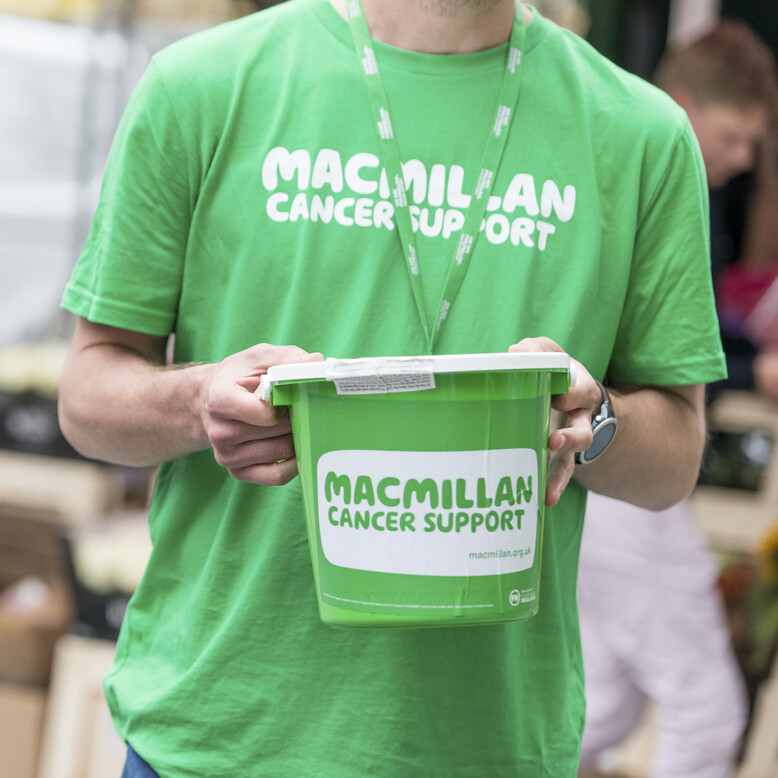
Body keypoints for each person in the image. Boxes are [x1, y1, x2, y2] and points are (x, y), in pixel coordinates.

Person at [56, 0, 725, 775]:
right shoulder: (204, 85)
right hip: (218, 739)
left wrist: (594, 421)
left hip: (484, 748)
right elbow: (86, 395)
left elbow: (675, 457)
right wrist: (197, 398)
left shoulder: (641, 134)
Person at [577, 22, 778, 778]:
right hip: (628, 468)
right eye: (733, 135)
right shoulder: (647, 177)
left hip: (597, 480)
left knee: (605, 703)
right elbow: (660, 344)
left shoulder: (616, 172)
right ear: (681, 105)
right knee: (706, 705)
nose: (743, 158)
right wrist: (754, 367)